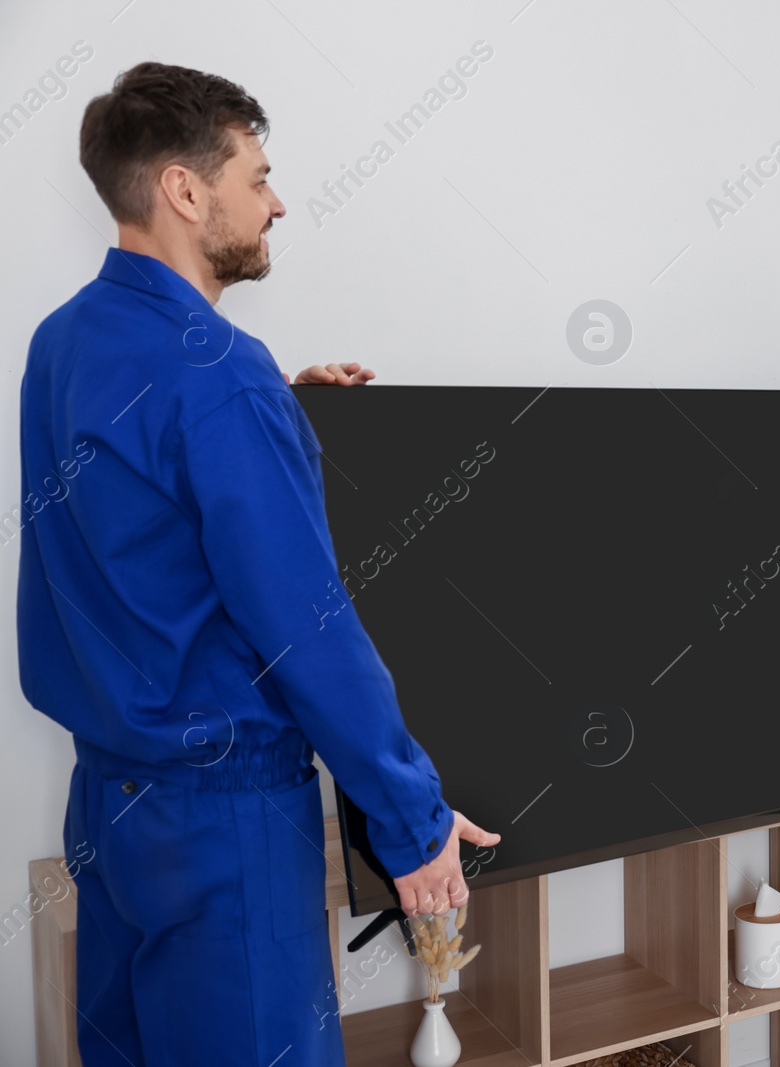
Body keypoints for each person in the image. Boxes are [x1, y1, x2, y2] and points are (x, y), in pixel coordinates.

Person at [16, 63, 498, 1065]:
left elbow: (130, 499)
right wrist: (410, 820)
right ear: (188, 192)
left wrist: (273, 405)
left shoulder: (62, 344)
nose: (276, 201)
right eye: (258, 174)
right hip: (222, 826)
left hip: (108, 806)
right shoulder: (219, 377)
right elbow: (305, 630)